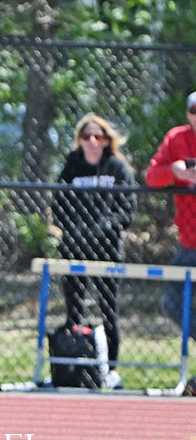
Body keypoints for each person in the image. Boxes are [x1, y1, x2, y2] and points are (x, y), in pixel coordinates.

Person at [52, 113, 136, 389]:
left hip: (107, 249)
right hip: (74, 247)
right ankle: (73, 369)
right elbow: (58, 205)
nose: (91, 141)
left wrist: (103, 228)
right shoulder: (71, 167)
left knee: (108, 309)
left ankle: (110, 370)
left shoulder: (117, 168)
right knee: (73, 310)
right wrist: (75, 230)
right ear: (79, 140)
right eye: (86, 136)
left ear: (106, 140)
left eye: (97, 136)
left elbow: (127, 209)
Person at [145, 93, 196, 343]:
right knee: (172, 303)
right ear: (188, 114)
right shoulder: (177, 138)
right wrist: (175, 171)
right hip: (190, 244)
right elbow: (152, 177)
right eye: (194, 110)